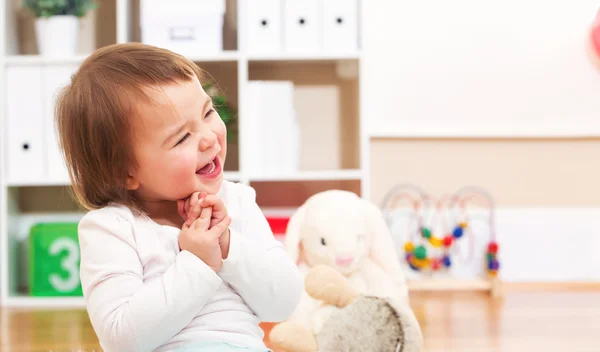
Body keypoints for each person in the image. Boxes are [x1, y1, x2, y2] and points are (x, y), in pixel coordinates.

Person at [55, 42, 303, 352]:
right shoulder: (111, 228)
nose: (209, 137)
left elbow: (284, 302)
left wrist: (228, 246)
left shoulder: (236, 203)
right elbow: (122, 338)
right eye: (182, 137)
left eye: (209, 112)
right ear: (124, 172)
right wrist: (198, 261)